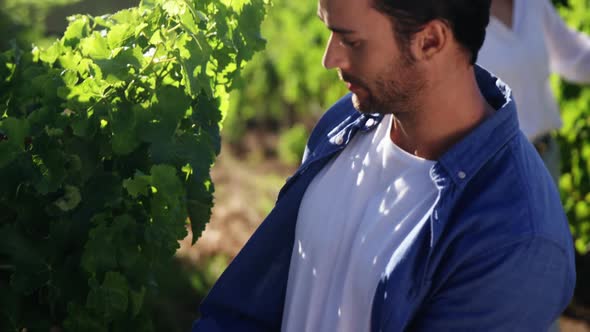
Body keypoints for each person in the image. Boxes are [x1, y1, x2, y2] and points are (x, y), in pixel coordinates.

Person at [192, 0, 576, 331]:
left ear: (431, 41)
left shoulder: (516, 237)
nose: (330, 59)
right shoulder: (347, 123)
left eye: (351, 40)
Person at [479, 0, 590, 183]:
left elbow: (574, 56)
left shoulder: (531, 3)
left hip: (544, 158)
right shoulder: (450, 14)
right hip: (493, 174)